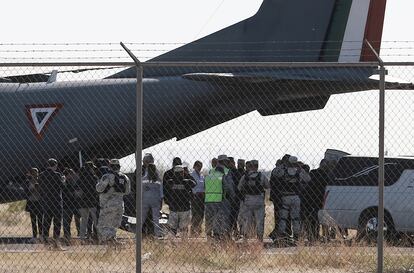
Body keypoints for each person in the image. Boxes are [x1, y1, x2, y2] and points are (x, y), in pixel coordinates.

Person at [274, 155, 310, 244]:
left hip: (285, 196)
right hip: (296, 197)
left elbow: (275, 173)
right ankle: (296, 236)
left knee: (283, 218)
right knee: (296, 218)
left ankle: (281, 236)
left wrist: (282, 165)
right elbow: (308, 179)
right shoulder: (299, 171)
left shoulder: (283, 171)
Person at [96, 159, 131, 244]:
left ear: (110, 166)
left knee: (102, 226)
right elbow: (127, 191)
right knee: (113, 226)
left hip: (108, 204)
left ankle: (109, 241)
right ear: (119, 167)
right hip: (120, 205)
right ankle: (112, 242)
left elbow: (99, 188)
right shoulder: (125, 177)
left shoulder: (107, 176)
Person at [204, 154, 235, 240]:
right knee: (221, 220)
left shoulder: (211, 171)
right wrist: (232, 197)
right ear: (224, 161)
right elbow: (228, 186)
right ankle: (221, 238)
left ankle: (209, 238)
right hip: (221, 199)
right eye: (227, 161)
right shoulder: (226, 171)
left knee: (210, 220)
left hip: (209, 199)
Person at [238, 160, 270, 241]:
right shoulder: (261, 176)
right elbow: (267, 186)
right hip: (259, 200)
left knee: (247, 220)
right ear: (257, 166)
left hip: (248, 200)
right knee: (259, 220)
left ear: (250, 166)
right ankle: (260, 239)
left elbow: (239, 188)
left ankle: (245, 239)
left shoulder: (245, 177)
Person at [302, 159, 331, 243]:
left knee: (312, 218)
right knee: (318, 218)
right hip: (319, 198)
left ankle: (312, 235)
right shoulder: (326, 175)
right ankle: (319, 235)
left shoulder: (313, 172)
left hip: (310, 198)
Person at [163, 165, 196, 238]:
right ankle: (183, 245)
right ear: (182, 173)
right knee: (183, 230)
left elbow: (166, 191)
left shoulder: (170, 182)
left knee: (172, 230)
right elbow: (195, 183)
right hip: (185, 208)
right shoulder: (187, 182)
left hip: (174, 208)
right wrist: (187, 174)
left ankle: (171, 245)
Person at [38, 158, 64, 246]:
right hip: (56, 201)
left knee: (46, 222)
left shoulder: (41, 175)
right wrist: (63, 181)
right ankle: (56, 242)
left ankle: (45, 241)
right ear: (55, 165)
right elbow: (62, 187)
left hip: (46, 201)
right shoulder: (57, 175)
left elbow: (40, 188)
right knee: (57, 222)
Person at [78, 161, 99, 243]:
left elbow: (78, 190)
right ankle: (99, 237)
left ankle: (82, 238)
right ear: (90, 169)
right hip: (92, 201)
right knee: (95, 220)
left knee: (84, 220)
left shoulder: (81, 178)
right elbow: (97, 190)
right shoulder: (94, 178)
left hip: (82, 202)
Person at [142, 163, 163, 238]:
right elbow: (161, 192)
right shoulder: (158, 179)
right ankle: (157, 234)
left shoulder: (143, 179)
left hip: (145, 199)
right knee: (156, 218)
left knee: (142, 217)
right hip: (155, 200)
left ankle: (137, 234)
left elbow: (141, 191)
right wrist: (161, 202)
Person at [61, 168, 80, 245]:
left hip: (74, 204)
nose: (71, 176)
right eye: (70, 174)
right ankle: (67, 236)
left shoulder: (75, 182)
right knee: (66, 222)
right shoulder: (64, 182)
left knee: (78, 220)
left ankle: (79, 233)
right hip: (67, 205)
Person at [25, 167, 42, 242]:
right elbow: (26, 192)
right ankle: (34, 236)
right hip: (32, 201)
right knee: (33, 220)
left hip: (39, 201)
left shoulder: (41, 181)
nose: (36, 174)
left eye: (36, 173)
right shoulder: (28, 181)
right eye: (34, 173)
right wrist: (33, 188)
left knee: (40, 220)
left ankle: (41, 235)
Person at [190, 160, 205, 236]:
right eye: (198, 166)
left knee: (201, 214)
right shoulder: (191, 175)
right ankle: (193, 230)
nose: (199, 168)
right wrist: (196, 192)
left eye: (200, 166)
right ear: (194, 166)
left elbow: (203, 186)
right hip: (195, 197)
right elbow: (191, 186)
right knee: (195, 213)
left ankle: (198, 229)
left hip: (202, 197)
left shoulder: (202, 175)